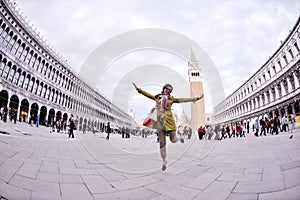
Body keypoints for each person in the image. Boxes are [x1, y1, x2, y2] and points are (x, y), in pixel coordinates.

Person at [132, 82, 204, 171]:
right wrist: (138, 89)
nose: (167, 90)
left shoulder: (171, 99)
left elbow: (183, 99)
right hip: (160, 122)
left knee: (173, 140)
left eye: (169, 90)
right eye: (166, 88)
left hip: (169, 121)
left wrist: (196, 98)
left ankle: (179, 138)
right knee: (162, 143)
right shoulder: (157, 97)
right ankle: (164, 161)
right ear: (163, 89)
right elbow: (148, 95)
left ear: (170, 92)